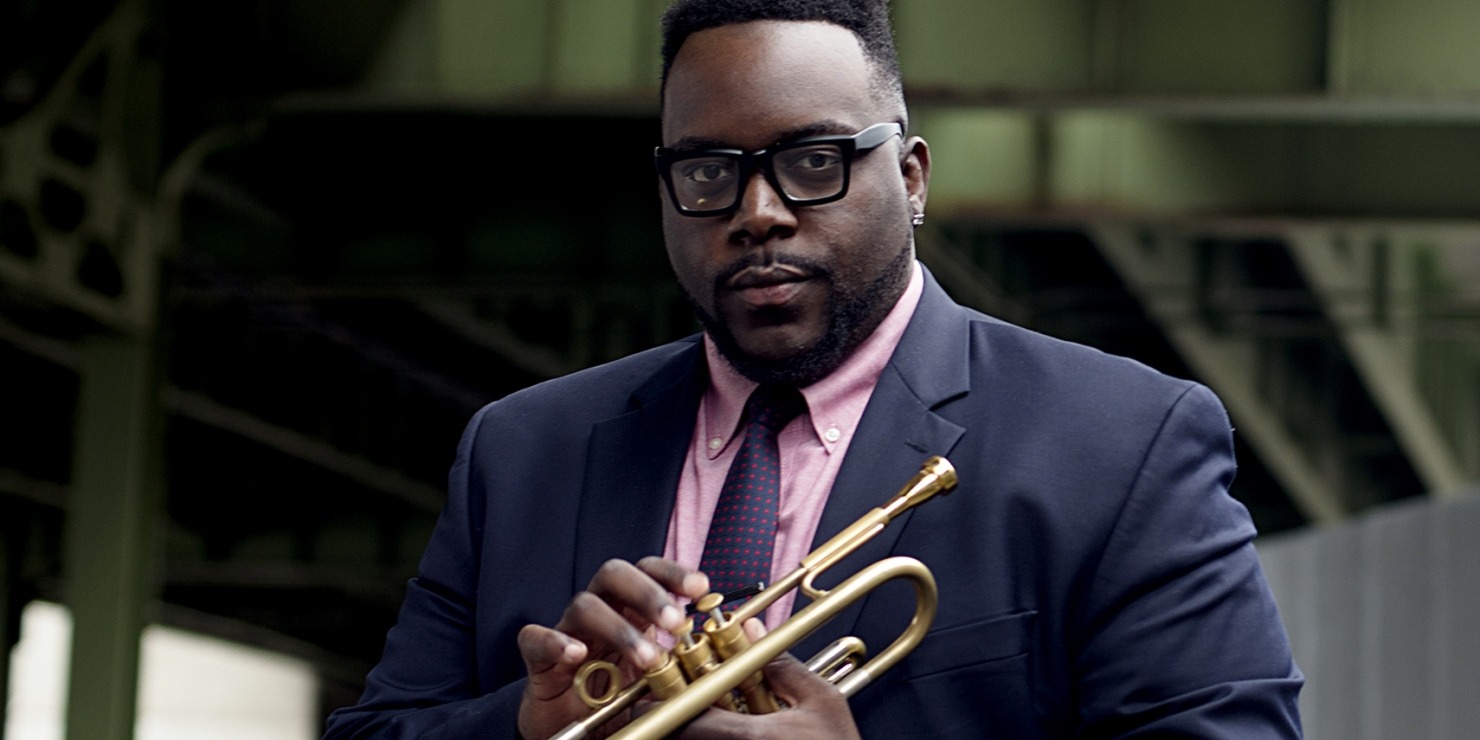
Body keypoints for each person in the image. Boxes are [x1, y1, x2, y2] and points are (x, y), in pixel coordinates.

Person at [323, 0, 1304, 737]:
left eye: (813, 161)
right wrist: (527, 723)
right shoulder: (520, 447)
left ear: (911, 177)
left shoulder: (1125, 440)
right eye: (708, 171)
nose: (758, 210)